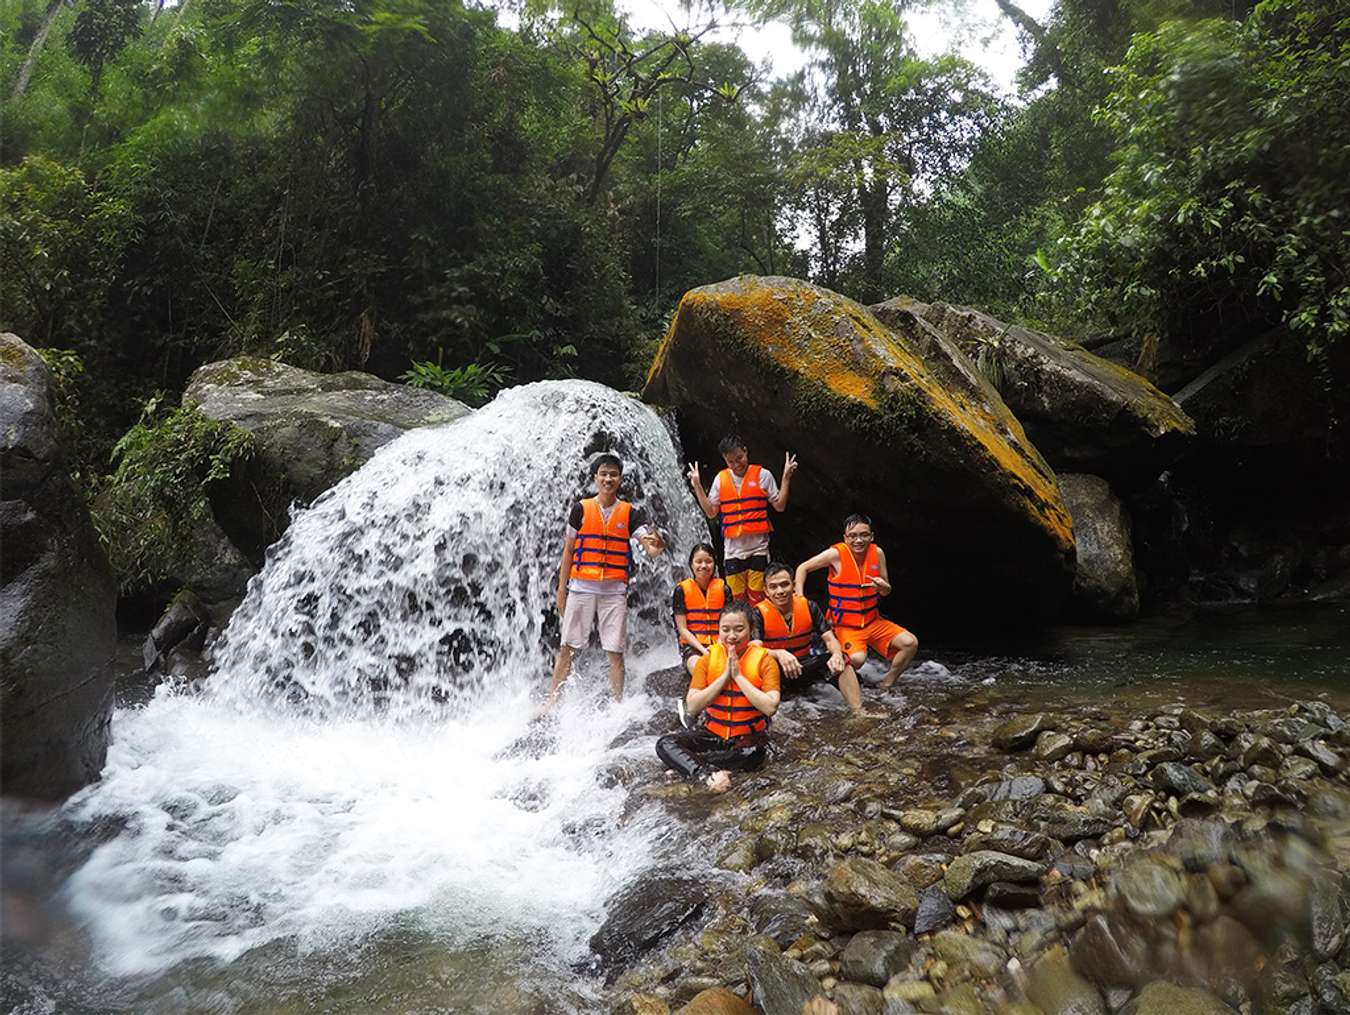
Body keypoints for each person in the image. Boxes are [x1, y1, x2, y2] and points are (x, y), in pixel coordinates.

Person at [548, 453, 665, 706]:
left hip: (614, 591)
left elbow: (652, 547)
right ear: (595, 478)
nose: (608, 479)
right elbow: (568, 551)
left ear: (620, 479)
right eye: (603, 474)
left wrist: (658, 544)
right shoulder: (580, 509)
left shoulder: (630, 514)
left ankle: (617, 704)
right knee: (567, 646)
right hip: (580, 586)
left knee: (615, 651)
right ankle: (552, 701)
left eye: (613, 474)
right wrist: (562, 589)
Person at [655, 602, 781, 793]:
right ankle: (705, 773)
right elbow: (693, 705)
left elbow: (770, 707)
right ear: (718, 630)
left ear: (751, 629)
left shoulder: (765, 661)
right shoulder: (707, 659)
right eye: (725, 629)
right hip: (713, 733)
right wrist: (724, 678)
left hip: (746, 739)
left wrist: (738, 676)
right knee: (665, 743)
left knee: (754, 754)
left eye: (739, 629)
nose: (732, 636)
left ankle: (686, 766)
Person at [794, 514, 918, 690]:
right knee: (857, 659)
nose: (858, 540)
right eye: (853, 536)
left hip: (873, 621)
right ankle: (830, 679)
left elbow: (886, 590)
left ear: (871, 536)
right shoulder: (835, 554)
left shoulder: (878, 553)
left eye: (864, 535)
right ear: (845, 538)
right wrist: (799, 597)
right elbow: (802, 568)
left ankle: (887, 682)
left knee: (910, 643)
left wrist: (883, 587)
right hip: (845, 625)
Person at [686, 434, 797, 605]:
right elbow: (711, 512)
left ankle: (758, 631)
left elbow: (780, 505)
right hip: (733, 551)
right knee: (736, 601)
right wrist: (697, 485)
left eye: (740, 458)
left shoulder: (763, 475)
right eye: (731, 461)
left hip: (758, 549)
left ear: (746, 451)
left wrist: (786, 477)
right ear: (725, 460)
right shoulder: (720, 479)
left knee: (758, 599)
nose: (737, 465)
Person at [755, 562, 872, 716]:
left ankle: (859, 712)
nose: (780, 591)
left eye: (785, 585)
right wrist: (779, 653)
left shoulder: (809, 606)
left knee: (842, 658)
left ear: (794, 585)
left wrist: (837, 654)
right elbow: (753, 650)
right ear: (766, 591)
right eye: (774, 587)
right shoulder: (757, 613)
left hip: (804, 666)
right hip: (775, 671)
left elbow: (830, 639)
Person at [672, 543, 728, 678]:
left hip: (721, 643)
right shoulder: (681, 590)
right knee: (698, 667)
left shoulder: (724, 588)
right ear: (691, 564)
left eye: (708, 561)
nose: (703, 566)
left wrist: (718, 647)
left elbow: (728, 624)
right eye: (699, 561)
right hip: (693, 647)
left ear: (714, 564)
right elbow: (682, 629)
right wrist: (703, 650)